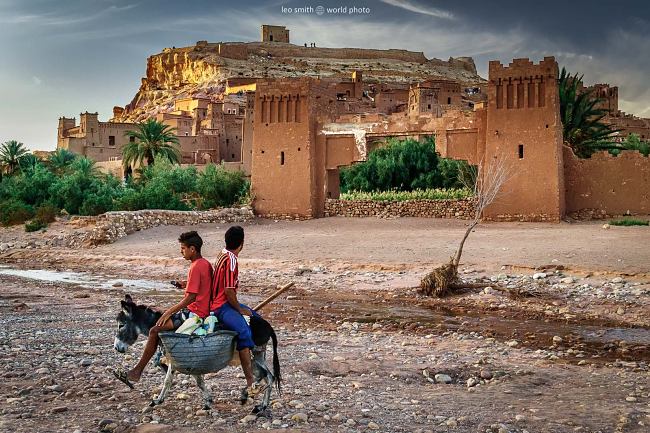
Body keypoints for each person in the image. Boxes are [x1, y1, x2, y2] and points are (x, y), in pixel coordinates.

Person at [113, 231, 213, 388]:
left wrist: (169, 312)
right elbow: (204, 286)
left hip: (194, 313)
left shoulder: (195, 266)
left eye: (183, 248)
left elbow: (190, 298)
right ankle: (163, 360)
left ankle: (137, 372)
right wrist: (185, 284)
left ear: (192, 249)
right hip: (201, 309)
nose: (181, 251)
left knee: (154, 330)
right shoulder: (205, 264)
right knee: (159, 317)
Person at [211, 225, 260, 395]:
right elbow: (229, 291)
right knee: (244, 332)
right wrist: (239, 309)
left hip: (221, 302)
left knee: (255, 317)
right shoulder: (232, 259)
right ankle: (249, 381)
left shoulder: (222, 254)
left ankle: (255, 361)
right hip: (221, 305)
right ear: (242, 244)